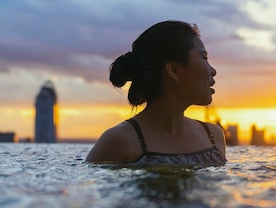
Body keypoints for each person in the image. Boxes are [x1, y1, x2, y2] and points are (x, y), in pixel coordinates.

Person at [86, 20, 226, 165]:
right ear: (174, 70)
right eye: (203, 58)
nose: (213, 71)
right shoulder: (120, 141)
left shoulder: (214, 137)